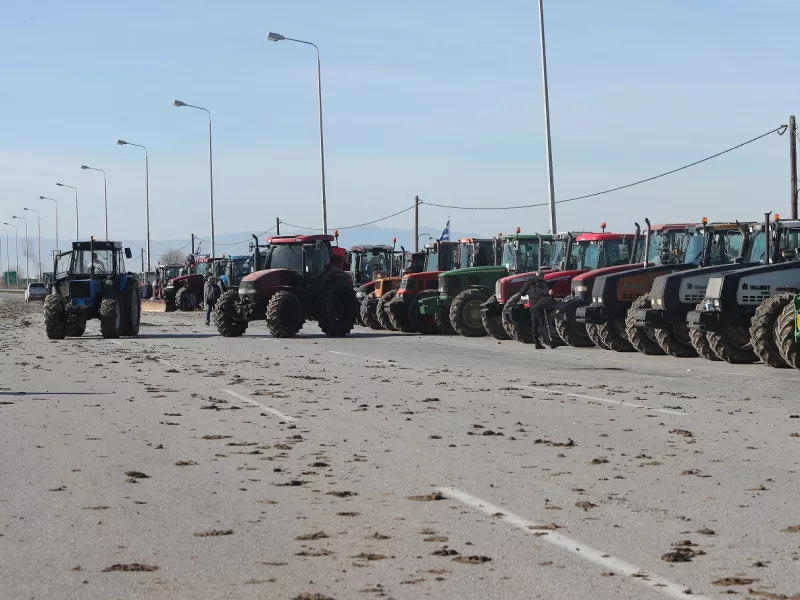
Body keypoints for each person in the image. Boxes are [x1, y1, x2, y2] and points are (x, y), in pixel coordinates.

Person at [519, 271, 555, 349]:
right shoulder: (540, 282)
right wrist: (548, 292)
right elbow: (539, 291)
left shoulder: (528, 283)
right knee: (543, 324)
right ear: (541, 276)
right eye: (543, 276)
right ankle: (550, 342)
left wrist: (526, 300)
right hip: (539, 305)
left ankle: (537, 343)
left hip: (532, 306)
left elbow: (522, 293)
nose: (543, 277)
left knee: (534, 325)